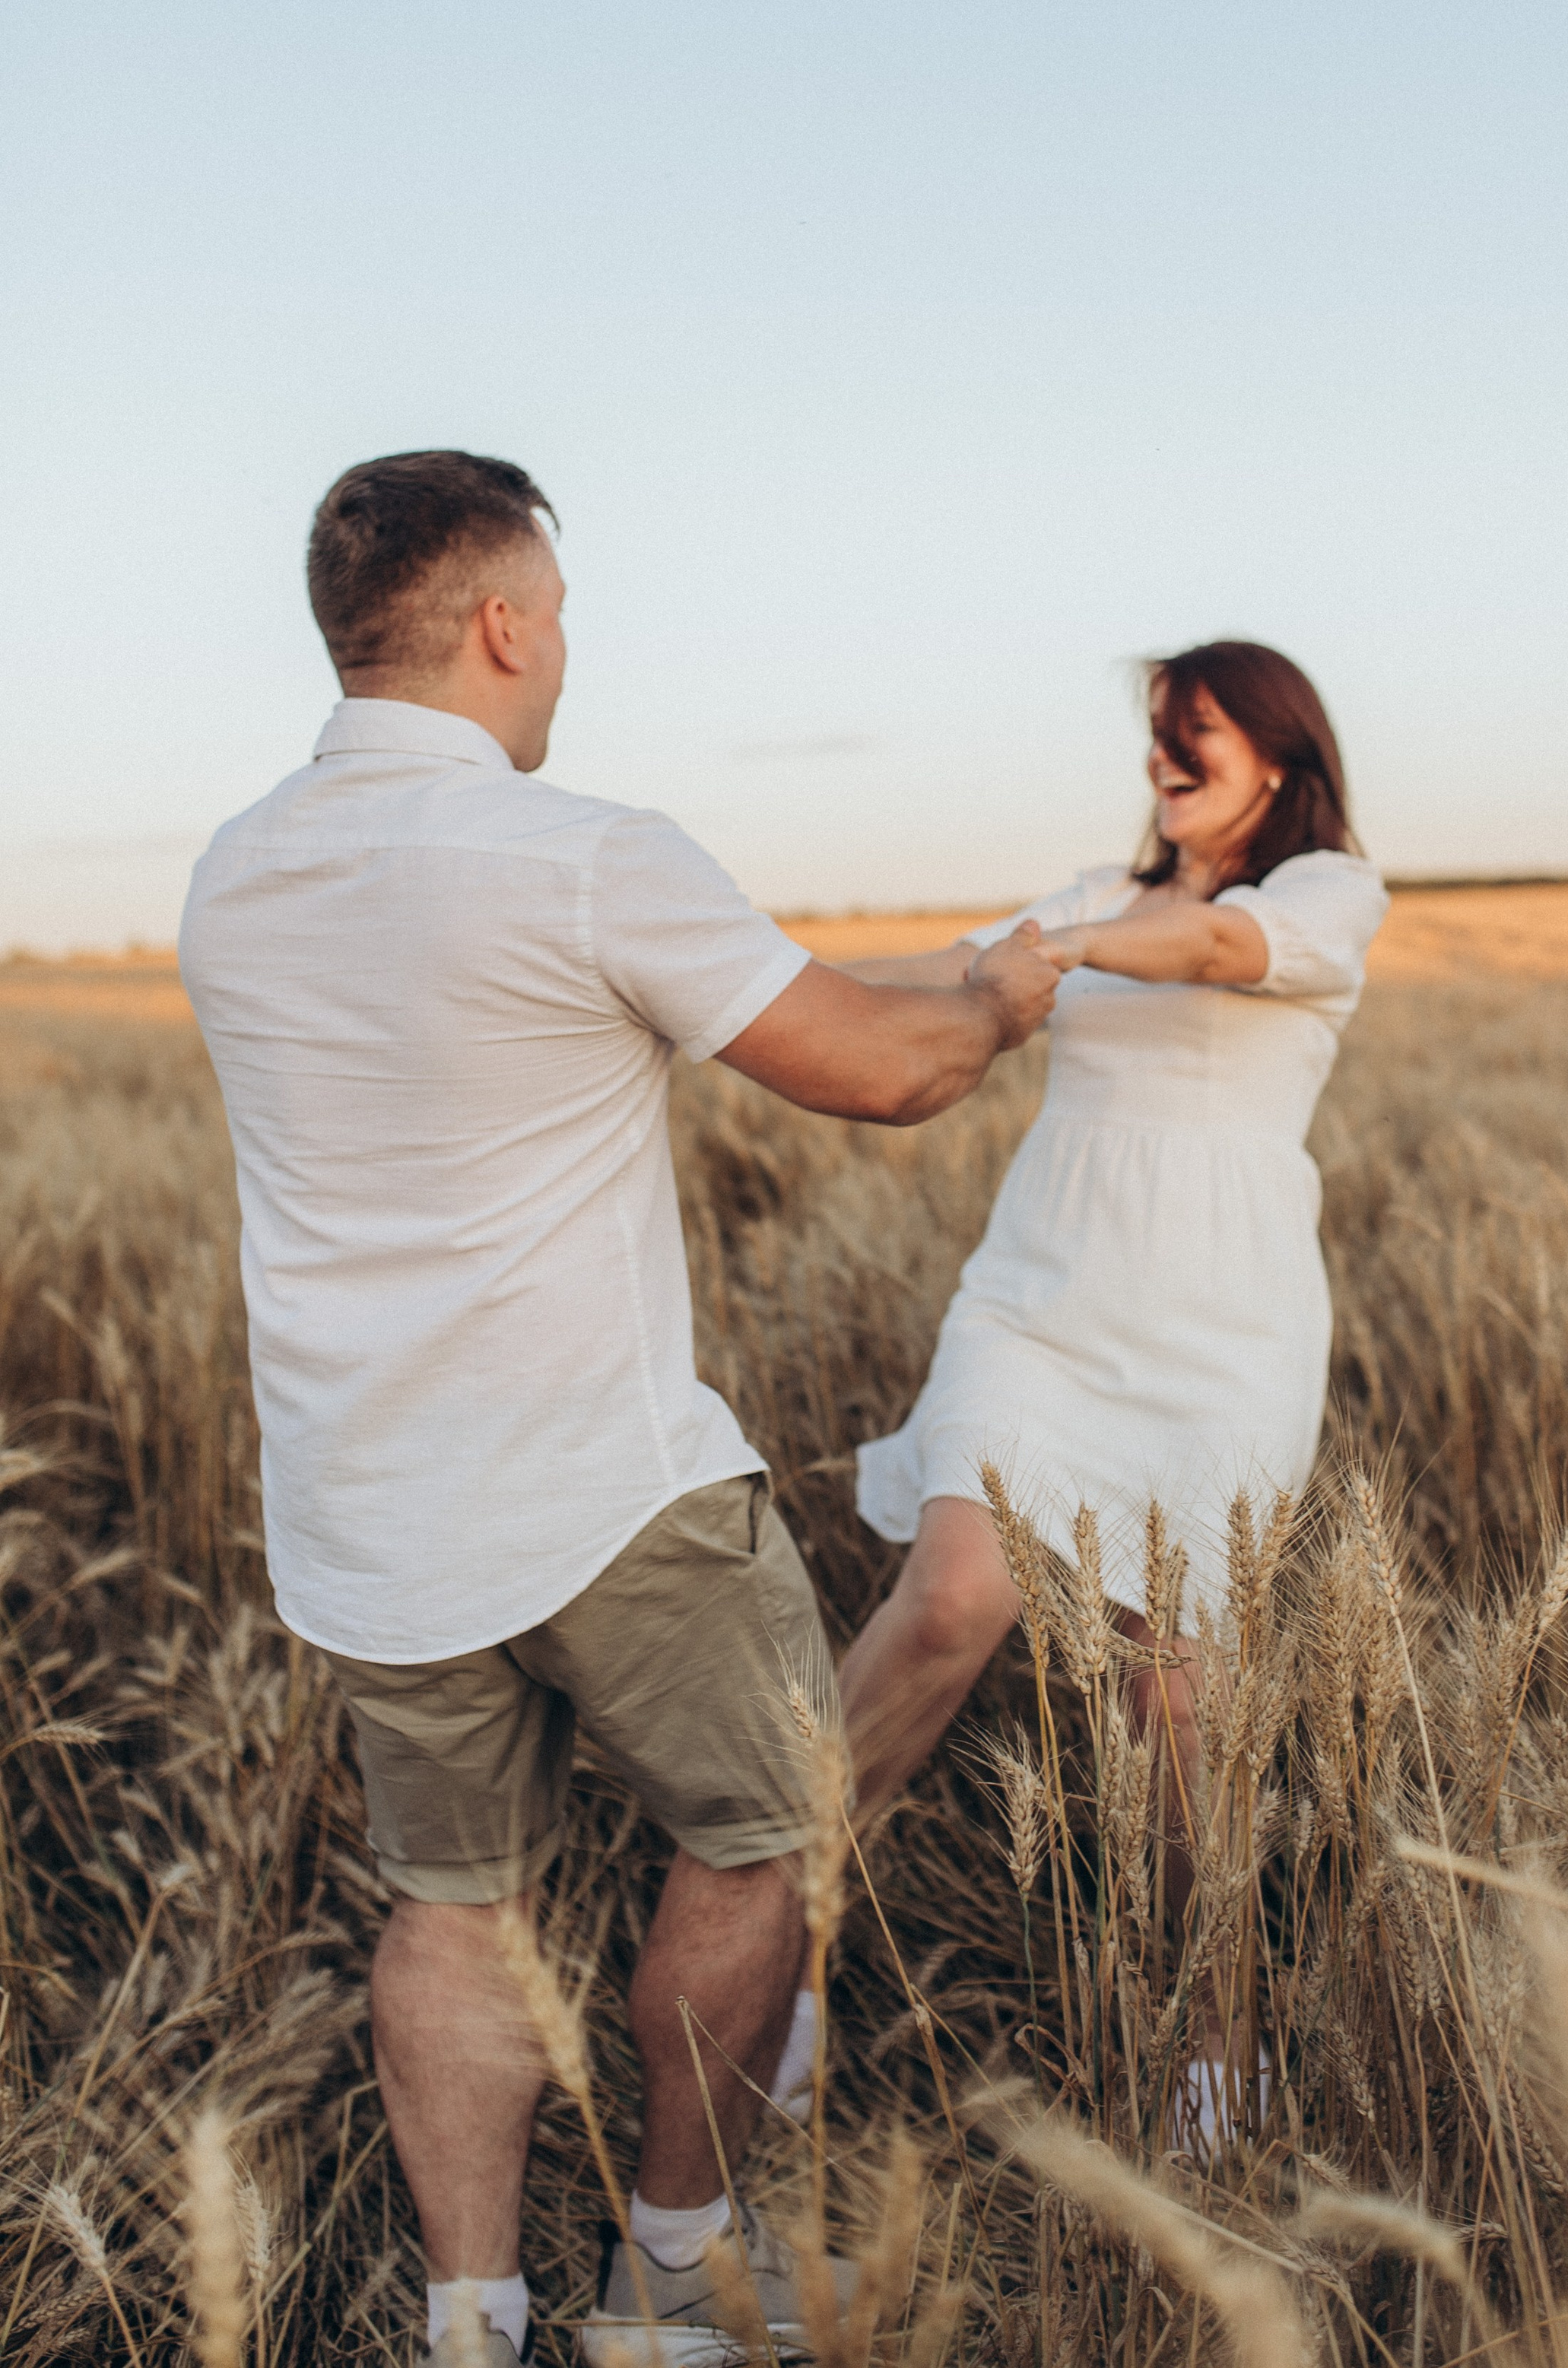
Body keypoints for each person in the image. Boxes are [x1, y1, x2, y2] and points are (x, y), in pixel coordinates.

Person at [178, 451, 1063, 2368]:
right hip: (607, 1493)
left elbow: (734, 988)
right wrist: (996, 1006)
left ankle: (472, 2318)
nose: (566, 652)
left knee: (454, 1905)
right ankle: (672, 2278)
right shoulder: (577, 852)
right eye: (559, 614)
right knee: (770, 1827)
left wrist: (939, 969)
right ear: (501, 623)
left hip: (368, 1510)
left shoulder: (236, 873)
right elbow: (883, 1072)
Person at [834, 640, 1386, 2108]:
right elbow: (951, 973)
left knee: (1180, 1698)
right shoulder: (1094, 893)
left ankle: (1216, 2042)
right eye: (1155, 732)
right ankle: (781, 1928)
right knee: (951, 1601)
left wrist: (1068, 949)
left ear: (1279, 755)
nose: (1162, 758)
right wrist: (743, 985)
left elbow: (1215, 953)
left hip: (1223, 1342)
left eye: (1194, 733)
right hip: (1042, 1311)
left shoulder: (1329, 894)